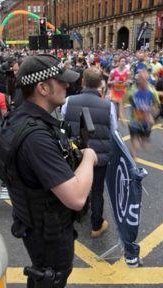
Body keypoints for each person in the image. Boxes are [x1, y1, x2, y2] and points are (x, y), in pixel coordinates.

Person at [0, 54, 95, 288]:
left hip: (33, 220)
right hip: (49, 229)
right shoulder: (36, 136)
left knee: (42, 274)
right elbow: (76, 197)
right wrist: (88, 159)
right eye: (60, 80)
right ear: (42, 88)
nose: (67, 85)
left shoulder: (19, 118)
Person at [62, 67, 117, 239]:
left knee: (76, 183)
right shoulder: (109, 105)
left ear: (83, 82)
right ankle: (96, 225)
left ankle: (77, 215)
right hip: (99, 157)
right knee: (97, 190)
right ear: (101, 83)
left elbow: (65, 125)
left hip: (77, 153)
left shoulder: (69, 100)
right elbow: (114, 130)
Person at [126, 70, 160, 160]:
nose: (144, 81)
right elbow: (124, 101)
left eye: (146, 79)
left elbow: (157, 105)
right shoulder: (132, 90)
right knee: (135, 144)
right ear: (139, 80)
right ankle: (132, 163)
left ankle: (145, 136)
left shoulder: (152, 91)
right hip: (134, 121)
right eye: (142, 79)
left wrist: (152, 113)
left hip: (145, 122)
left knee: (139, 141)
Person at [108, 56, 130, 121]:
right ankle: (113, 125)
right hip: (114, 94)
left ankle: (116, 126)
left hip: (122, 95)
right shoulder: (113, 71)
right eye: (121, 61)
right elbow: (108, 82)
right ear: (119, 62)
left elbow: (128, 82)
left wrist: (127, 83)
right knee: (113, 112)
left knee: (118, 113)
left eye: (124, 61)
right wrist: (113, 82)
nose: (123, 63)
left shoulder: (128, 72)